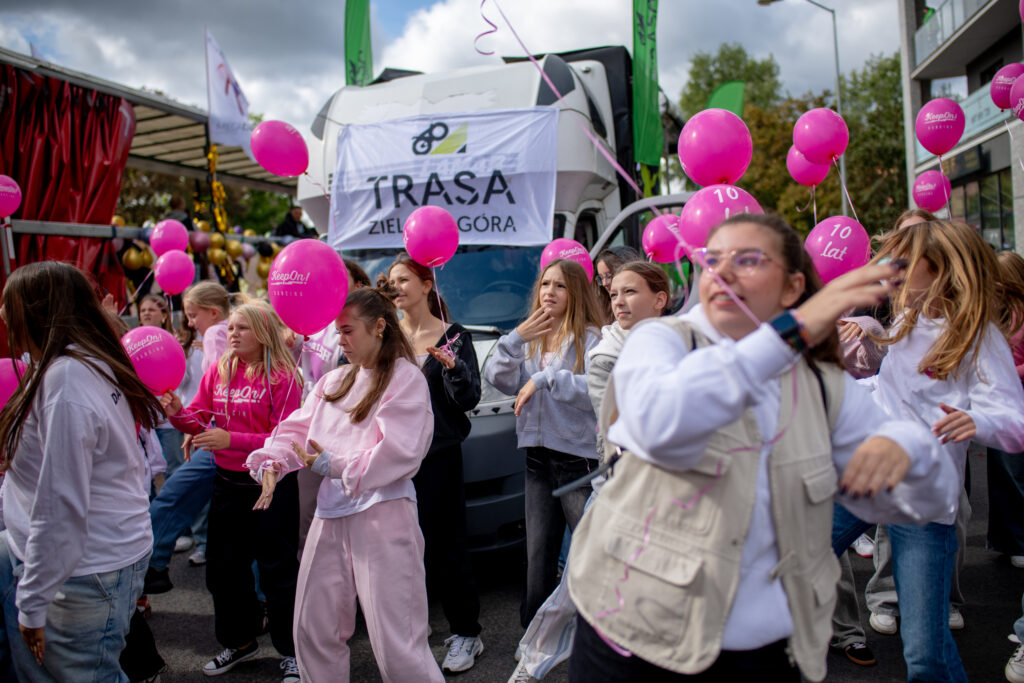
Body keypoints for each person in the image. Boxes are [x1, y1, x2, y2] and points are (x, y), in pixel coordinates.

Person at [565, 213, 960, 682]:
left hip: (760, 651)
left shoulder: (818, 385)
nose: (723, 273)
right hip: (631, 637)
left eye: (748, 260)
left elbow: (932, 500)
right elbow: (661, 420)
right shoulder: (660, 339)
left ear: (792, 287)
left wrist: (908, 452)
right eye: (712, 261)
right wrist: (795, 331)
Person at [831, 219, 1024, 681]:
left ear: (938, 270)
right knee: (795, 554)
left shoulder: (977, 335)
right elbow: (890, 392)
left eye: (904, 262)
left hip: (920, 502)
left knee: (925, 656)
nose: (891, 271)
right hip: (868, 478)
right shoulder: (907, 320)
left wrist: (981, 420)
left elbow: (1014, 422)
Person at [246, 288, 443, 683]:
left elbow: (401, 451)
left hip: (384, 514)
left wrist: (334, 465)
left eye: (348, 330)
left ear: (380, 327)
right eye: (337, 331)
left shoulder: (406, 378)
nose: (340, 340)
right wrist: (273, 462)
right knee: (313, 628)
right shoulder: (334, 380)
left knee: (396, 639)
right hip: (332, 512)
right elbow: (297, 430)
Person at [0, 261, 163, 681]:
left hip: (83, 572)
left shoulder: (67, 378)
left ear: (37, 310)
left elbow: (62, 506)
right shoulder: (65, 363)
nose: (2, 312)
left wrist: (32, 602)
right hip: (63, 559)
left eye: (9, 301)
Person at [509, 262, 670, 683]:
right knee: (580, 568)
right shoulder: (605, 352)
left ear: (660, 300)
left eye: (629, 292)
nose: (618, 301)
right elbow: (611, 423)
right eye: (614, 293)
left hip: (676, 482)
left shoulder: (681, 342)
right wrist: (540, 370)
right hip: (621, 479)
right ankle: (533, 659)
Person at [162, 301, 302, 681]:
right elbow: (197, 420)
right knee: (224, 571)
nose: (231, 334)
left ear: (263, 332)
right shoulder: (219, 370)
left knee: (279, 573)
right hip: (227, 485)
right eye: (231, 328)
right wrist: (177, 411)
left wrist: (231, 439)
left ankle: (292, 652)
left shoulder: (285, 377)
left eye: (241, 328)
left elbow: (284, 439)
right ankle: (240, 641)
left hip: (271, 487)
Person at [483, 259, 604, 628]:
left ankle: (600, 630)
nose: (550, 292)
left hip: (577, 459)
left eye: (561, 286)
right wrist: (516, 338)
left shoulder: (591, 337)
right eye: (545, 284)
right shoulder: (531, 335)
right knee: (538, 552)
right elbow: (498, 380)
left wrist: (548, 378)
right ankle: (534, 631)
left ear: (576, 293)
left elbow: (596, 392)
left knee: (588, 551)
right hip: (536, 457)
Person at [386, 254, 484, 672]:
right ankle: (414, 633)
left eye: (404, 279)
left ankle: (467, 633)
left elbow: (469, 399)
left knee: (447, 547)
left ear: (427, 285)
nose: (397, 287)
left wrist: (453, 372)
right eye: (391, 281)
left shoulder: (453, 336)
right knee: (402, 550)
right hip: (391, 457)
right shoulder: (386, 335)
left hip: (438, 456)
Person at [144, 282, 232, 592]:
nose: (191, 322)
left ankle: (151, 565)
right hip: (218, 435)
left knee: (171, 498)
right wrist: (195, 423)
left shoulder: (216, 333)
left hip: (224, 440)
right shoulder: (217, 333)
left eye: (194, 315)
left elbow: (223, 385)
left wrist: (202, 425)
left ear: (212, 312)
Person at [295, 259, 372, 553]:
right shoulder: (313, 322)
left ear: (360, 287)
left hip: (350, 426)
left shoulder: (363, 330)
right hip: (315, 424)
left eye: (339, 279)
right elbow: (302, 373)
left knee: (351, 510)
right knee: (309, 514)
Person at [137, 294, 203, 478]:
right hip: (142, 420)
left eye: (151, 309)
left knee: (175, 469)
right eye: (143, 310)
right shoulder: (132, 343)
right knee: (143, 472)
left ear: (164, 315)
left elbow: (183, 379)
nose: (146, 313)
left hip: (167, 422)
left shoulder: (174, 342)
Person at [988, 250, 1024, 568]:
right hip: (1001, 404)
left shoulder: (1019, 315)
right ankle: (1009, 539)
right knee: (1002, 474)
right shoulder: (999, 314)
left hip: (1017, 405)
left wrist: (1011, 373)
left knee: (1017, 473)